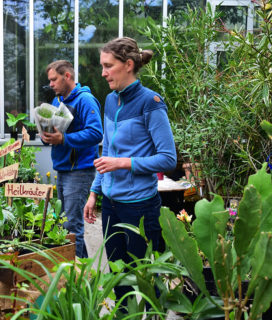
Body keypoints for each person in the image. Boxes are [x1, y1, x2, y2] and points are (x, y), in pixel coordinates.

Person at [83, 37, 177, 307]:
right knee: (119, 281)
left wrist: (123, 163)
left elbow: (168, 159)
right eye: (102, 66)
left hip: (140, 209)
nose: (103, 73)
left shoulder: (151, 103)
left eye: (108, 66)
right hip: (111, 207)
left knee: (147, 282)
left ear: (128, 65)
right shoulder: (110, 101)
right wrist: (94, 192)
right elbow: (107, 152)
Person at [41, 60, 103, 258]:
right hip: (62, 168)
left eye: (54, 79)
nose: (50, 84)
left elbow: (96, 133)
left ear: (67, 76)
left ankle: (77, 276)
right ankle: (78, 271)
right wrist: (47, 136)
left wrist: (64, 139)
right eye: (49, 80)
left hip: (80, 170)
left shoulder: (86, 100)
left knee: (72, 224)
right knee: (64, 223)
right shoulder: (56, 101)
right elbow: (55, 133)